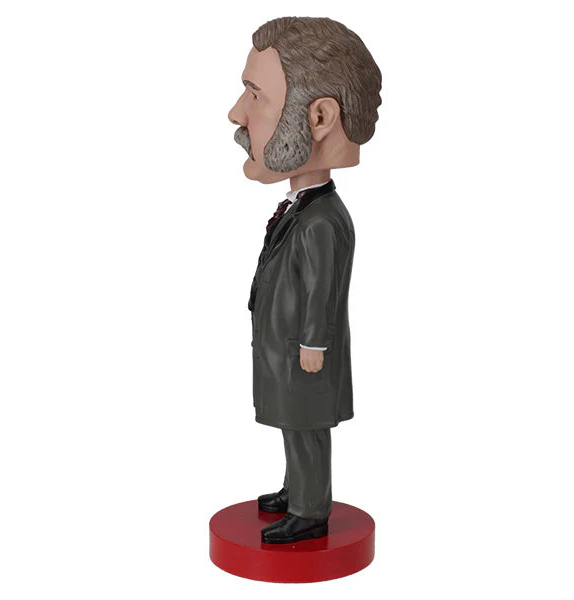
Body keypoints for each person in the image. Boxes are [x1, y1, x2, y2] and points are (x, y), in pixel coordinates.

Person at [227, 16, 382, 544]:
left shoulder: (322, 221)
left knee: (306, 430)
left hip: (304, 354)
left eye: (255, 95)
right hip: (288, 349)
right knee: (294, 426)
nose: (237, 114)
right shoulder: (303, 209)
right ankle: (296, 490)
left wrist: (313, 345)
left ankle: (311, 510)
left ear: (318, 118)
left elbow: (323, 288)